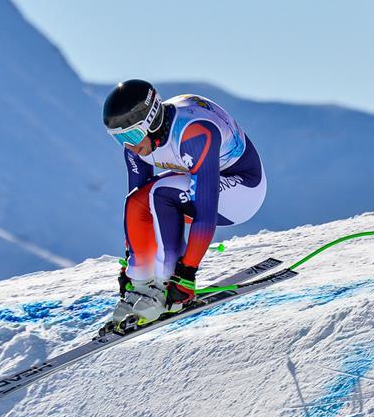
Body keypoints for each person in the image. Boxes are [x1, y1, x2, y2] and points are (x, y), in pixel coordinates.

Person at [103, 79, 266, 330]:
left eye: (132, 135)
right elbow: (137, 205)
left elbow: (206, 210)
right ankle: (141, 286)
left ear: (151, 122)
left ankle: (166, 283)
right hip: (204, 187)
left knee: (161, 194)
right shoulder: (137, 144)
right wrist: (132, 266)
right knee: (138, 199)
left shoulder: (194, 132)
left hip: (244, 190)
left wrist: (187, 275)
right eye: (119, 139)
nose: (130, 146)